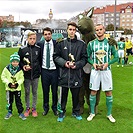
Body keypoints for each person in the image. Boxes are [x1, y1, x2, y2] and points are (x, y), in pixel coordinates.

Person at [53, 22, 88, 122]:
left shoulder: (81, 44)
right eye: (70, 29)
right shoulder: (61, 43)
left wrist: (76, 65)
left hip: (76, 75)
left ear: (76, 31)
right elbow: (55, 56)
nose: (72, 31)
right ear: (67, 30)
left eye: (74, 30)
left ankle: (76, 112)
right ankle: (61, 112)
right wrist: (65, 63)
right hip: (63, 75)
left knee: (76, 96)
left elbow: (84, 59)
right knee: (63, 96)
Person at [87, 24, 118, 123]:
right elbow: (87, 57)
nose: (99, 31)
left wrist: (108, 63)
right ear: (95, 32)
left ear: (104, 30)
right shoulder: (91, 44)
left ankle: (109, 114)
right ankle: (92, 113)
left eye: (100, 29)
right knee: (93, 91)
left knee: (108, 92)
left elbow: (116, 57)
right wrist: (93, 63)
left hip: (106, 71)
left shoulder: (110, 43)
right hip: (95, 71)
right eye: (97, 30)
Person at [18, 31, 41, 117]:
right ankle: (27, 108)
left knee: (34, 92)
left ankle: (34, 108)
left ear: (36, 39)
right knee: (27, 92)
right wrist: (23, 66)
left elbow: (40, 61)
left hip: (35, 75)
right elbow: (19, 61)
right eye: (30, 38)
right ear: (27, 39)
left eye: (34, 39)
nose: (32, 40)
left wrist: (39, 71)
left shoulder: (38, 49)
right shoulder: (22, 49)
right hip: (26, 75)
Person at [37, 27, 58, 116]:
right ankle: (45, 108)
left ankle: (55, 108)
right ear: (43, 35)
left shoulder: (56, 43)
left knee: (54, 91)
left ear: (51, 34)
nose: (47, 36)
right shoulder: (40, 44)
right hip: (44, 71)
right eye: (45, 34)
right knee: (45, 91)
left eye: (49, 34)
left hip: (54, 71)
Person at [1, 52, 26, 120]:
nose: (15, 63)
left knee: (18, 101)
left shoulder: (20, 70)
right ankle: (9, 112)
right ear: (11, 62)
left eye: (16, 62)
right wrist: (8, 83)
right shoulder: (6, 69)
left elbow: (22, 78)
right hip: (9, 89)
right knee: (9, 101)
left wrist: (17, 83)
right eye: (13, 62)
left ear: (18, 62)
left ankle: (20, 113)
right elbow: (3, 77)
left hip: (17, 89)